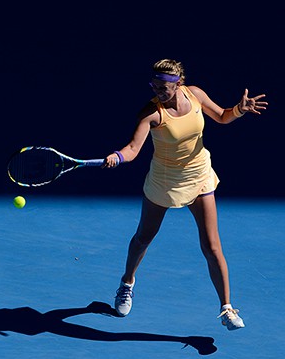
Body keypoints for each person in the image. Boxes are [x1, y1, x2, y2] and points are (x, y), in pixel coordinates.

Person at [102, 59, 267, 330]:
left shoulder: (196, 94)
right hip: (165, 181)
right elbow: (133, 148)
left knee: (212, 246)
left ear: (178, 83)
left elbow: (223, 116)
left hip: (199, 176)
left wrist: (239, 109)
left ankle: (226, 308)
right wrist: (117, 157)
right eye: (154, 84)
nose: (157, 90)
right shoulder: (151, 113)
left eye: (163, 85)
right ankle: (127, 283)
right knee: (144, 237)